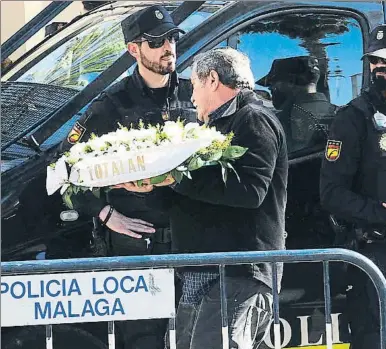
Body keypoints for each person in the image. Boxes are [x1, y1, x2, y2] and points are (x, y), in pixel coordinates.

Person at [121, 47, 288, 349]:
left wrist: (178, 178)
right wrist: (152, 187)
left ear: (212, 79)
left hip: (238, 270)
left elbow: (251, 192)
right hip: (204, 271)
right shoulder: (211, 126)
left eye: (194, 84)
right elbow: (194, 197)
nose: (192, 95)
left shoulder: (253, 119)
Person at [58, 5, 195, 349]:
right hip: (137, 248)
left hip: (192, 244)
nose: (168, 48)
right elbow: (65, 167)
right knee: (143, 342)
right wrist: (105, 214)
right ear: (133, 49)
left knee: (197, 338)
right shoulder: (112, 105)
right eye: (157, 41)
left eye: (172, 39)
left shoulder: (194, 94)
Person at [320, 24, 386, 349]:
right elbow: (331, 193)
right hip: (374, 253)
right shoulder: (354, 118)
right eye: (373, 60)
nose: (378, 67)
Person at [257, 56, 338, 153]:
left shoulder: (276, 121)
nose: (272, 93)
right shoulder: (342, 115)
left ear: (291, 82)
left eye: (273, 88)